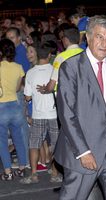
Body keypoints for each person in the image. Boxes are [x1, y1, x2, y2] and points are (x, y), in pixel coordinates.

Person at [54, 15, 106, 200]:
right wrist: (83, 152)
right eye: (99, 37)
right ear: (87, 37)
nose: (104, 43)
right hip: (84, 151)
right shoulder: (70, 67)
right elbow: (67, 113)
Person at [22, 44, 60, 184]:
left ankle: (34, 175)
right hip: (54, 114)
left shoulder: (31, 73)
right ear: (49, 55)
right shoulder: (56, 70)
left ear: (37, 55)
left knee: (34, 144)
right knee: (56, 144)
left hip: (38, 114)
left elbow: (27, 97)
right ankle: (55, 173)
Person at [0, 39, 26, 180]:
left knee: (2, 141)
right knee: (18, 139)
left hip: (1, 106)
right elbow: (17, 89)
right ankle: (22, 169)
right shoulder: (18, 67)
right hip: (15, 106)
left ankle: (8, 172)